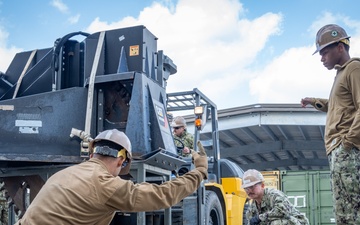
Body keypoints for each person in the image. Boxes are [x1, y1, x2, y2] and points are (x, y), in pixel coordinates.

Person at [15, 129, 208, 225]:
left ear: (92, 154)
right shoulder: (105, 184)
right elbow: (161, 195)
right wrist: (199, 172)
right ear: (121, 160)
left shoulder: (63, 174)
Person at [301, 24, 360, 224]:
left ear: (340, 47)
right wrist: (314, 101)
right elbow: (337, 106)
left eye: (325, 52)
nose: (322, 58)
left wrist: (348, 142)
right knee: (343, 211)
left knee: (353, 210)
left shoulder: (353, 68)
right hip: (338, 150)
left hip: (346, 149)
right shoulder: (341, 74)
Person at [243, 169, 309, 225]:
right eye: (246, 188)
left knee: (276, 223)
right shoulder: (251, 209)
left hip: (297, 222)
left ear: (262, 185)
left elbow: (282, 211)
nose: (249, 191)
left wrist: (260, 217)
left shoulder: (274, 195)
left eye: (252, 187)